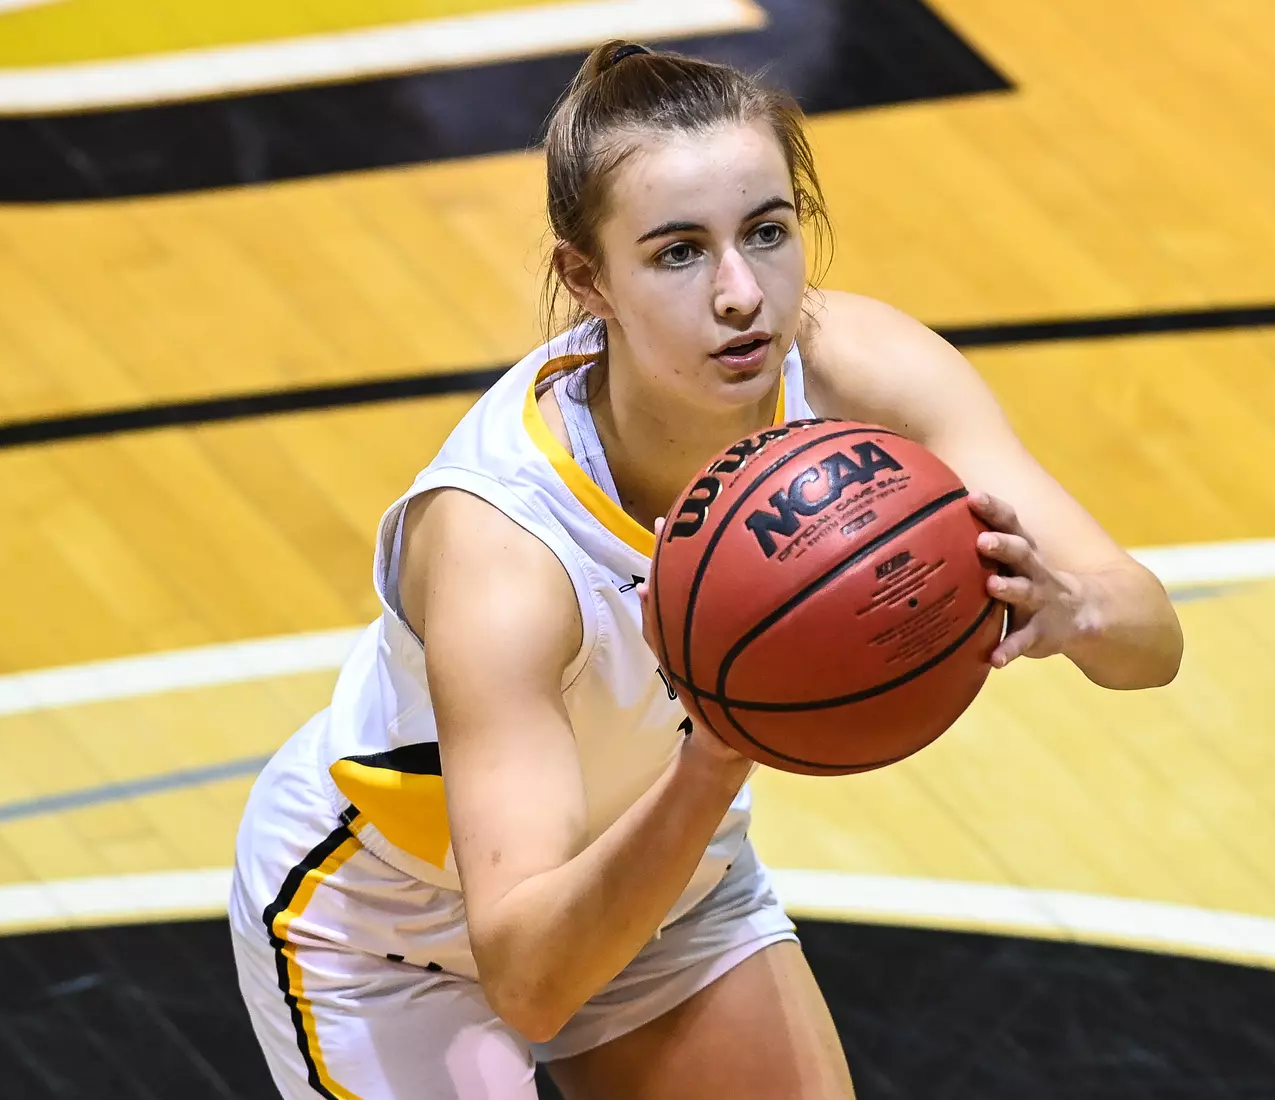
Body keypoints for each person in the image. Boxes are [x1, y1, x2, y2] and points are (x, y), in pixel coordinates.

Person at [228, 39, 1183, 1100]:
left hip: (670, 880)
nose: (741, 293)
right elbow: (532, 979)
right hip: (394, 926)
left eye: (766, 233)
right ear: (584, 278)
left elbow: (1152, 643)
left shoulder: (858, 370)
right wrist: (713, 759)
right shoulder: (504, 548)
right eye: (678, 252)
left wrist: (1070, 603)